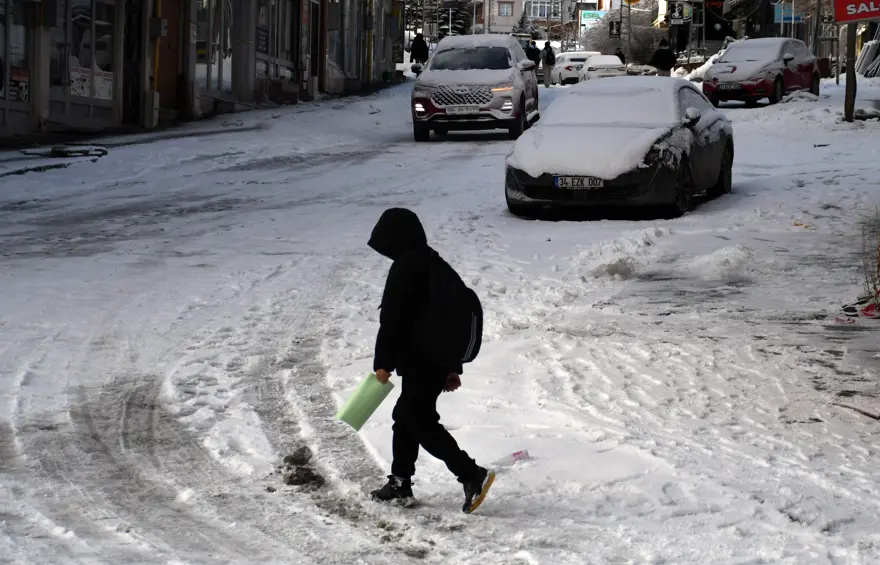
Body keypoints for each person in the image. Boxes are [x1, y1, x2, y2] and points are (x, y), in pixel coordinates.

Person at [367, 208, 495, 514]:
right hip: (431, 360)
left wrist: (382, 363)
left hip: (421, 359)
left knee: (419, 420)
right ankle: (400, 483)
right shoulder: (434, 263)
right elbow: (449, 317)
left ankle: (471, 474)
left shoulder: (407, 266)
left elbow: (393, 320)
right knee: (406, 416)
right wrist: (451, 367)